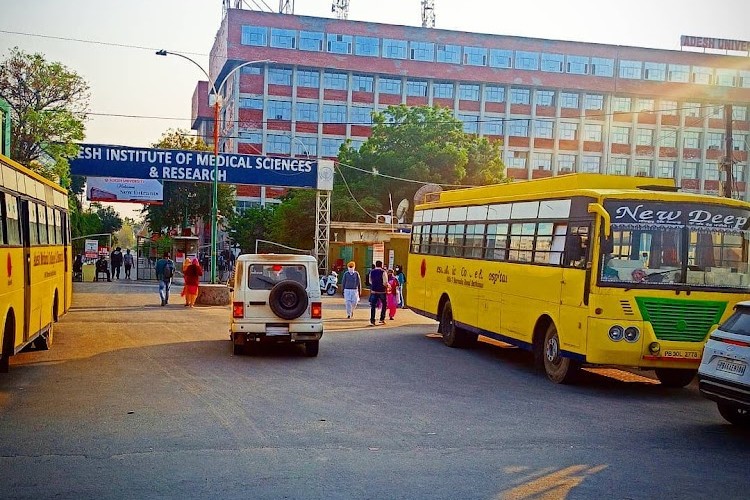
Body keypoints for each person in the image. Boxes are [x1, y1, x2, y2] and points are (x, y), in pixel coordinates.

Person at [368, 260, 388, 326]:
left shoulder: (371, 272)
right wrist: (387, 286)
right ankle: (382, 319)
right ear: (381, 265)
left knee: (373, 306)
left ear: (376, 265)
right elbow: (385, 282)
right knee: (384, 304)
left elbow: (370, 281)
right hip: (382, 291)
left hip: (374, 291)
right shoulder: (383, 272)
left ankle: (372, 320)